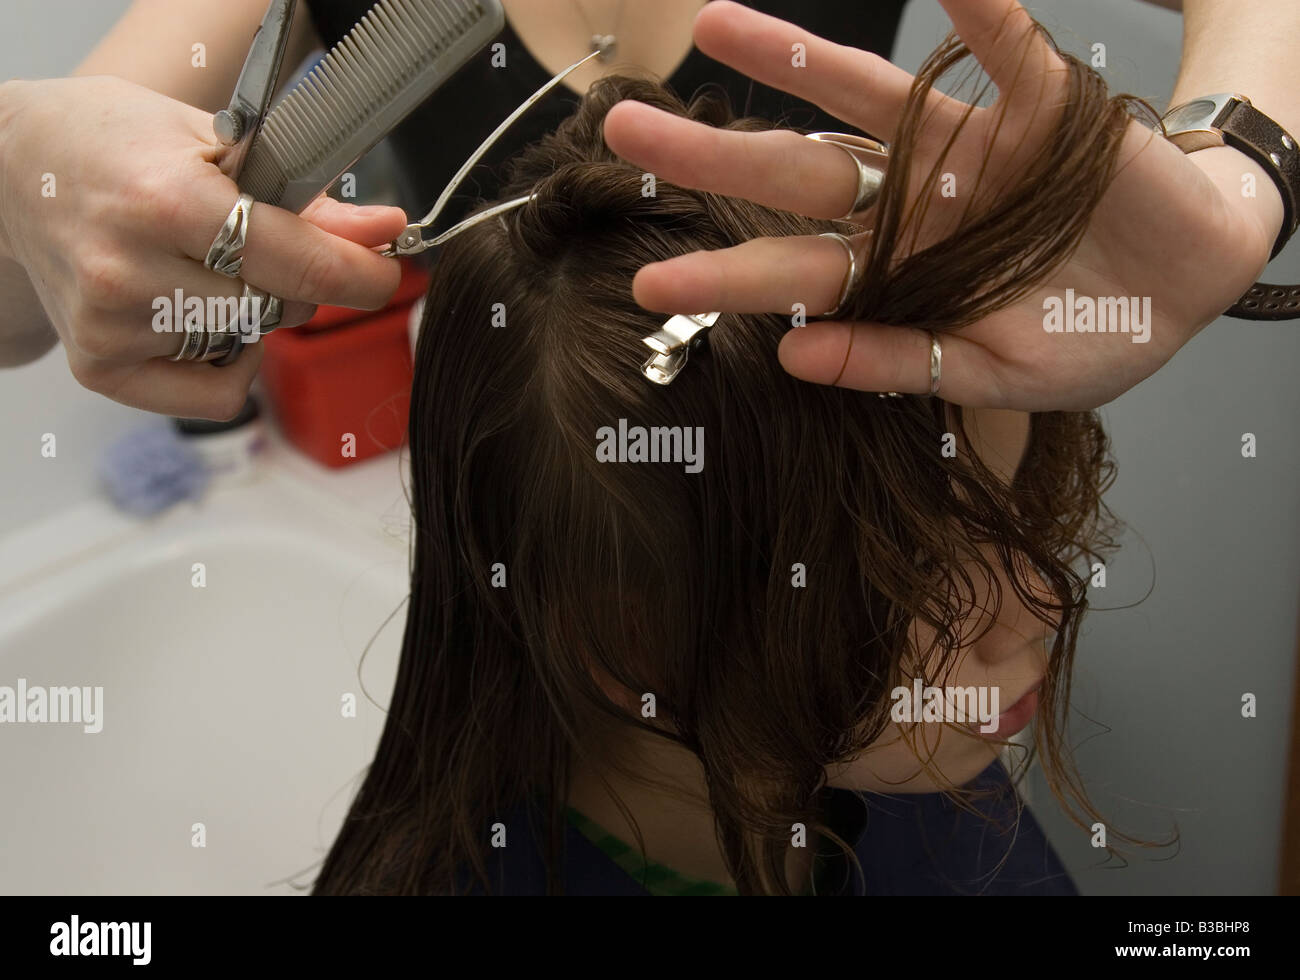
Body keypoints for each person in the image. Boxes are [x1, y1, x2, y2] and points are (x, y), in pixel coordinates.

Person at [313, 10, 1138, 888]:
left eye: (1008, 505)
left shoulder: (911, 762)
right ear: (631, 638)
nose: (1046, 600)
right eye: (923, 567)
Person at [1, 0, 1292, 418]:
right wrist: (22, 167)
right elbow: (17, 311)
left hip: (835, 531)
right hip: (533, 542)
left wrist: (1234, 185)